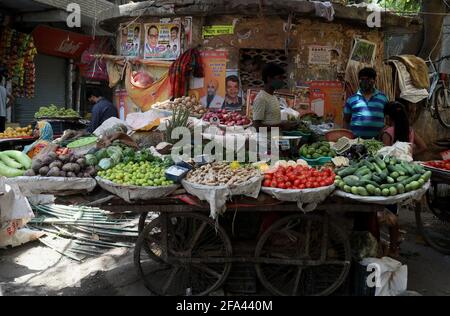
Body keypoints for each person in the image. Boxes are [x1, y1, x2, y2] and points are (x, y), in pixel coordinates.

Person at [344, 67, 388, 139]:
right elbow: (346, 120)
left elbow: (388, 119)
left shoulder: (383, 98)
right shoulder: (351, 99)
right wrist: (346, 137)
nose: (365, 81)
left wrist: (385, 135)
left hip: (377, 141)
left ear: (374, 80)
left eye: (368, 79)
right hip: (355, 141)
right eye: (362, 79)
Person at [252, 63, 295, 130]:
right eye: (279, 78)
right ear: (269, 78)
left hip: (274, 138)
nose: (282, 81)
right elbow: (257, 126)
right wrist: (280, 126)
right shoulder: (261, 98)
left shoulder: (273, 96)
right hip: (267, 140)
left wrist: (283, 123)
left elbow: (271, 121)